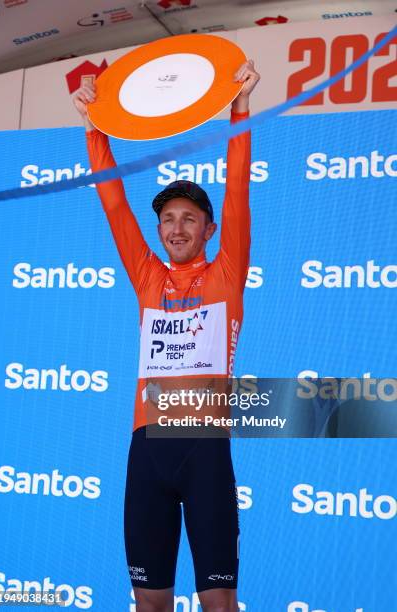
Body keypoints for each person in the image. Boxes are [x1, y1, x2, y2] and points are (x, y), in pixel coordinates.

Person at [74, 58, 260, 612]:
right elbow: (112, 201)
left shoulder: (226, 274)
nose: (176, 228)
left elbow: (238, 189)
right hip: (147, 451)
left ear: (209, 229)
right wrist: (93, 125)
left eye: (188, 218)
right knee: (149, 603)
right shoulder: (148, 276)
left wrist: (240, 105)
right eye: (167, 220)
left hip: (204, 451)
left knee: (219, 605)